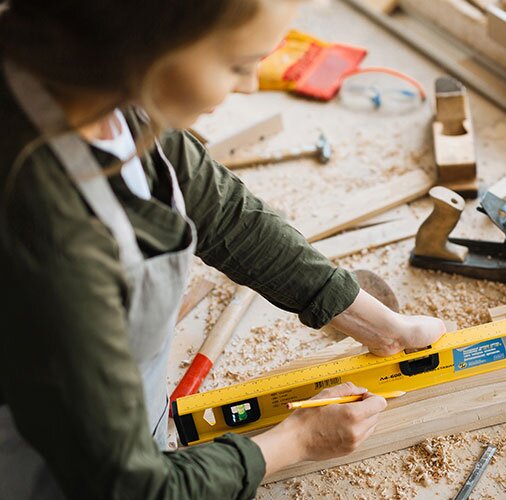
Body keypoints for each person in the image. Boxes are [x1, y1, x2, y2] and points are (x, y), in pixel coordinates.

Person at [0, 1, 446, 498]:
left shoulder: (97, 82)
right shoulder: (49, 227)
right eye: (238, 65)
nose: (253, 84)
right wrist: (297, 440)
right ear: (148, 43)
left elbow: (221, 212)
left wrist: (379, 324)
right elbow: (129, 487)